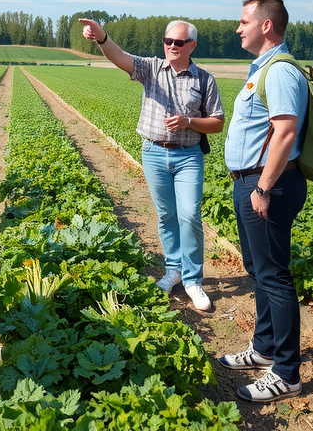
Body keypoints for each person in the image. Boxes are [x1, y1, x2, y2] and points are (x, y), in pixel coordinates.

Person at [78, 18, 224, 311]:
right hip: (154, 153)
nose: (171, 46)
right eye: (167, 41)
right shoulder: (152, 68)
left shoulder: (204, 79)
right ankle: (173, 270)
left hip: (188, 156)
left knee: (190, 215)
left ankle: (193, 279)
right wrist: (101, 37)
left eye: (178, 42)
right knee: (166, 215)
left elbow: (217, 123)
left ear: (191, 46)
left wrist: (188, 122)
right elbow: (119, 58)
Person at [218, 0, 308, 403]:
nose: (238, 28)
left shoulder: (280, 71)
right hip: (251, 182)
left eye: (243, 21)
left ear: (266, 26)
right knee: (258, 269)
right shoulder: (263, 69)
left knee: (274, 275)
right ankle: (265, 347)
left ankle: (287, 372)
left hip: (267, 185)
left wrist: (263, 188)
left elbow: (285, 132)